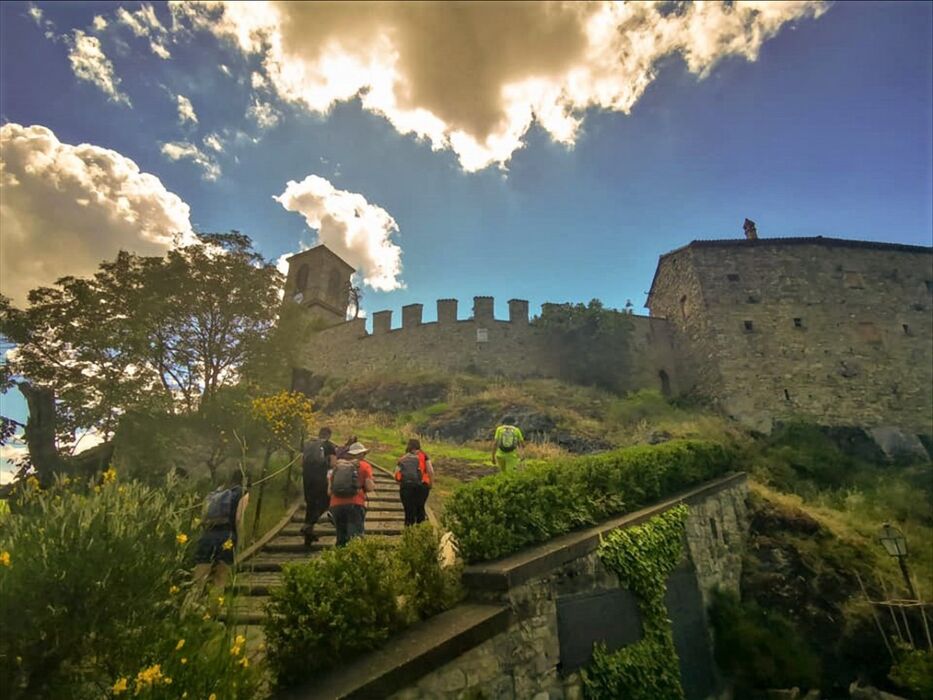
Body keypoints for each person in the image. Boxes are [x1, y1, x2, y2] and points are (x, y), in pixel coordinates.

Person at [193, 470, 249, 591]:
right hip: (227, 536)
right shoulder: (242, 493)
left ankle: (189, 607)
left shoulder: (212, 494)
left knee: (198, 581)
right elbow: (239, 519)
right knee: (220, 580)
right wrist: (240, 540)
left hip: (207, 536)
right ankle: (214, 609)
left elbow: (203, 517)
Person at [327, 441, 375, 546]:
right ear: (361, 454)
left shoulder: (337, 466)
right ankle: (354, 561)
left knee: (341, 537)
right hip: (355, 504)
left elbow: (329, 491)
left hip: (336, 505)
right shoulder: (364, 466)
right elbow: (369, 487)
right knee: (355, 537)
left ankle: (340, 559)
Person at [301, 427, 337, 548]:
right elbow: (333, 463)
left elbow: (301, 462)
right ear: (329, 435)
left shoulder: (308, 444)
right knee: (325, 502)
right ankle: (308, 525)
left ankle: (308, 536)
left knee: (310, 505)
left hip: (307, 478)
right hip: (321, 479)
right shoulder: (329, 446)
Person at [394, 438, 435, 526]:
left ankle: (408, 531)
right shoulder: (424, 456)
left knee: (408, 511)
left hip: (406, 486)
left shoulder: (404, 458)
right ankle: (420, 531)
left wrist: (402, 484)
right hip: (422, 485)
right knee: (420, 508)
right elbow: (430, 471)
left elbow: (397, 473)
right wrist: (430, 484)